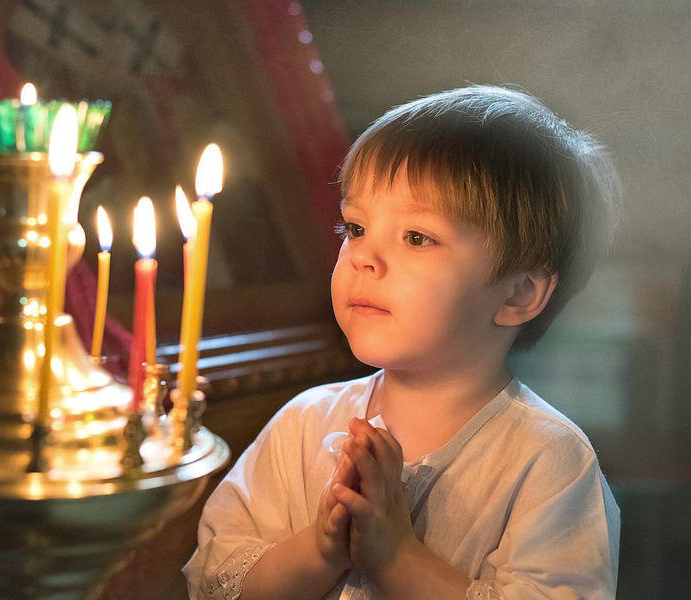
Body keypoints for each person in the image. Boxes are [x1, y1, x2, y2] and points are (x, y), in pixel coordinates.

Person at [183, 85, 621, 599]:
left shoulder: (548, 462)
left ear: (519, 294)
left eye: (417, 237)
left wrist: (396, 556)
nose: (363, 257)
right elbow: (216, 582)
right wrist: (321, 550)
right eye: (356, 226)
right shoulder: (303, 424)